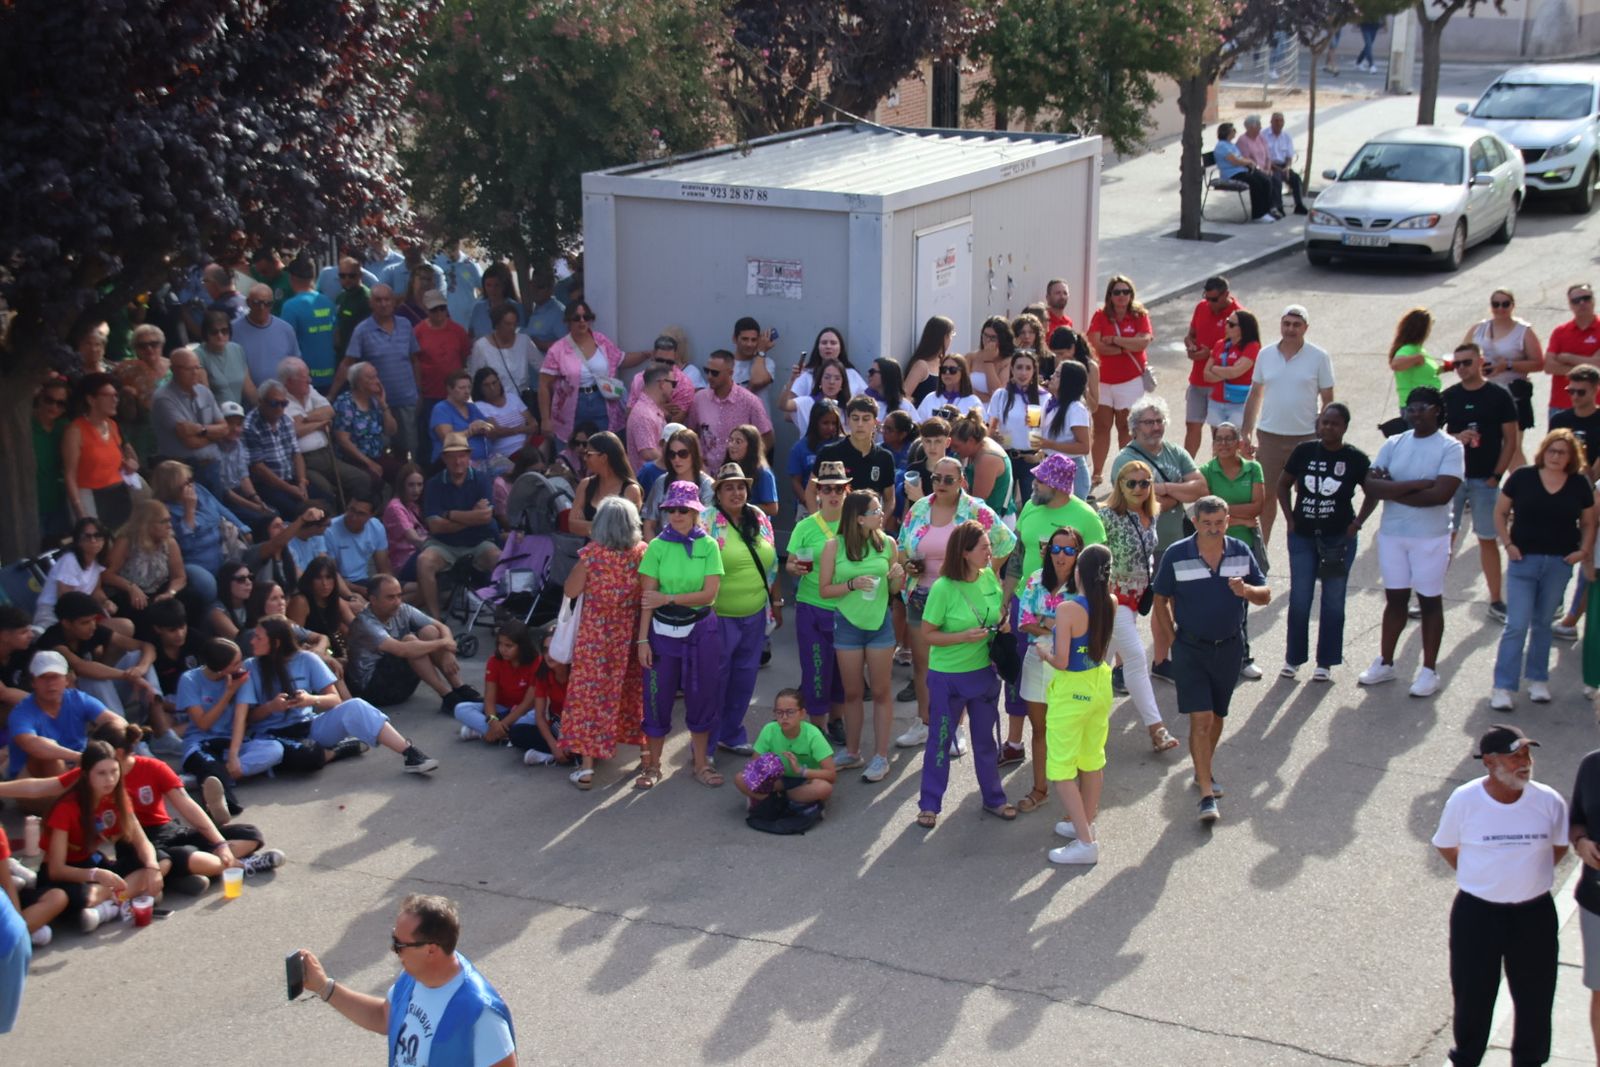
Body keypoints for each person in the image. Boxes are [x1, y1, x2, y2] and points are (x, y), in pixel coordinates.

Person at [1432, 724, 1566, 1067]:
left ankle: (1529, 1062)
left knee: (1535, 998)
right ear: (1489, 762)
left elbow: (1559, 846)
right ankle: (1466, 1059)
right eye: (1514, 756)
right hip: (1477, 915)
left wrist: (1524, 879)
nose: (1524, 762)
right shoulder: (1465, 800)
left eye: (1526, 753)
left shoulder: (1548, 801)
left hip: (1533, 915)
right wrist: (1484, 880)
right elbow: (1446, 845)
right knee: (1472, 996)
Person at [1151, 497, 1271, 824]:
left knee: (1217, 717)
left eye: (1219, 523)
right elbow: (1159, 599)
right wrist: (1173, 640)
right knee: (1201, 719)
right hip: (1191, 648)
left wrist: (1245, 590)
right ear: (1196, 523)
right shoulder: (1177, 554)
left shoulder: (1239, 552)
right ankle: (1206, 792)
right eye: (1207, 524)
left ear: (1227, 521)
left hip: (1230, 649)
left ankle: (1202, 766)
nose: (1214, 530)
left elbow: (1265, 594)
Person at [296, 894, 517, 1067]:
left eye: (399, 945)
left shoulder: (480, 1013)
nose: (393, 950)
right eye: (394, 939)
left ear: (431, 950)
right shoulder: (412, 980)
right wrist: (324, 987)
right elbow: (384, 1017)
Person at [896, 457, 1016, 750]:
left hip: (961, 599)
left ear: (962, 481)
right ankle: (924, 722)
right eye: (936, 478)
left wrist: (983, 571)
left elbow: (1007, 541)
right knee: (924, 666)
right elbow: (900, 546)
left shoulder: (975, 510)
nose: (941, 485)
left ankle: (955, 728)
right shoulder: (921, 507)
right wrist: (908, 565)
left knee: (959, 668)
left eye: (948, 480)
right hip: (921, 595)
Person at [1355, 387, 1465, 698]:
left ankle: (1429, 670)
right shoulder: (1394, 443)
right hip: (1393, 535)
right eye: (1411, 408)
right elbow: (1371, 486)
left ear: (1437, 411)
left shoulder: (1451, 447)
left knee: (1429, 601)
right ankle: (1386, 663)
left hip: (1430, 537)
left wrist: (1395, 489)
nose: (1415, 413)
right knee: (1395, 600)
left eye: (1422, 408)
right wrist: (1416, 485)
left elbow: (1440, 495)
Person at [240, 615, 438, 775]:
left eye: (258, 637)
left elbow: (334, 699)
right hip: (271, 736)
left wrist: (310, 700)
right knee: (306, 758)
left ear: (276, 643)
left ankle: (410, 753)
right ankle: (337, 751)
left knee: (355, 706)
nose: (252, 641)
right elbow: (247, 719)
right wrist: (270, 707)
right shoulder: (251, 666)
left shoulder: (307, 659)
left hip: (308, 726)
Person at [916, 519, 1014, 828]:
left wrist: (1003, 625)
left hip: (984, 674)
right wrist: (962, 637)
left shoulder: (988, 579)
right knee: (940, 741)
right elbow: (928, 634)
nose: (990, 551)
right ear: (965, 552)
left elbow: (996, 612)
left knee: (985, 743)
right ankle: (929, 805)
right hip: (948, 678)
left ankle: (994, 799)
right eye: (984, 547)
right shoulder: (943, 588)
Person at [1492, 429, 1596, 709]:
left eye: (1562, 452)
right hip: (1523, 561)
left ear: (1571, 457)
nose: (1556, 456)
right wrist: (1508, 543)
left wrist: (1583, 551)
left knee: (1542, 624)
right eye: (1552, 450)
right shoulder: (1523, 477)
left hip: (1559, 563)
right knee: (1516, 624)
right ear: (1543, 451)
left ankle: (1538, 680)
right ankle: (1503, 686)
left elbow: (1588, 522)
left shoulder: (1578, 484)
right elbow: (1500, 512)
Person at [636, 480, 725, 789]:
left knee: (702, 697)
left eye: (683, 509)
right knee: (656, 698)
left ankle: (701, 764)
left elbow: (709, 594)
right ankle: (653, 766)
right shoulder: (657, 547)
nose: (677, 514)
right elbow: (648, 598)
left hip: (701, 631)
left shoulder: (709, 545)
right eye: (671, 508)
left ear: (695, 511)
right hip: (661, 634)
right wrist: (642, 640)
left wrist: (669, 598)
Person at [1034, 541, 1116, 864]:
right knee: (1092, 758)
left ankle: (1085, 840)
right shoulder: (1109, 601)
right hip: (1099, 684)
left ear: (1080, 571)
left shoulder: (1067, 609)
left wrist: (1044, 652)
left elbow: (1062, 661)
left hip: (1072, 692)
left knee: (1061, 768)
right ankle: (1086, 823)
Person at [558, 496, 647, 789]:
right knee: (632, 695)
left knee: (590, 699)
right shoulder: (641, 553)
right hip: (631, 637)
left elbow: (571, 590)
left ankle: (586, 768)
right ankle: (646, 755)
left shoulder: (592, 555)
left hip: (595, 640)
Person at [1277, 403, 1368, 682]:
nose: (1328, 427)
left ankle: (1325, 662)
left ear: (1344, 427)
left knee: (1333, 601)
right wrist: (1290, 521)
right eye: (1324, 422)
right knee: (1300, 598)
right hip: (1303, 536)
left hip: (1338, 539)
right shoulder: (1305, 451)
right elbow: (1282, 484)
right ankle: (1293, 659)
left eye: (1334, 423)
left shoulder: (1355, 458)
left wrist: (1357, 523)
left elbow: (1372, 491)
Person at [817, 488, 901, 782]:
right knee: (852, 693)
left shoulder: (888, 543)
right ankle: (853, 752)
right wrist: (852, 584)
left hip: (880, 624)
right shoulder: (833, 546)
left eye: (879, 510)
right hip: (848, 624)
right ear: (858, 518)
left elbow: (893, 592)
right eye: (875, 511)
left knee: (880, 692)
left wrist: (898, 579)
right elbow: (824, 590)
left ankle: (880, 756)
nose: (881, 515)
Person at [38, 739, 164, 934]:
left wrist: (152, 866)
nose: (110, 779)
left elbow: (141, 840)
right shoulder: (67, 808)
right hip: (67, 874)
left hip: (93, 863)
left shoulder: (117, 797)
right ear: (87, 775)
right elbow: (56, 869)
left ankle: (107, 904)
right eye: (102, 773)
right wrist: (95, 875)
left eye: (114, 771)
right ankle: (111, 904)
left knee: (158, 860)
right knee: (78, 897)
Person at [703, 463, 781, 758]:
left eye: (740, 486)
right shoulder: (706, 520)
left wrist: (776, 602)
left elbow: (772, 563)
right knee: (716, 679)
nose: (736, 492)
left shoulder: (758, 516)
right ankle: (706, 744)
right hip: (718, 615)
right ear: (718, 492)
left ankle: (732, 733)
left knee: (745, 676)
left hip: (755, 613)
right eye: (728, 486)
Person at [1240, 304, 1335, 544]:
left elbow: (1328, 399)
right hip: (1270, 437)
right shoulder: (1266, 354)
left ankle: (1305, 548)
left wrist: (1322, 436)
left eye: (1296, 324)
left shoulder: (1319, 357)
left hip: (1305, 439)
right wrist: (1246, 432)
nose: (1290, 329)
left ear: (1306, 327)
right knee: (1266, 496)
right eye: (1286, 324)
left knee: (1306, 495)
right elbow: (1255, 394)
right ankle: (1261, 551)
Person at [1013, 523, 1087, 815]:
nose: (1061, 555)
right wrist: (1058, 625)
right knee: (1040, 730)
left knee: (1069, 730)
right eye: (1056, 548)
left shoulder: (1085, 587)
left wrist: (1044, 621)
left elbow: (1084, 629)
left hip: (1069, 665)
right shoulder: (1035, 580)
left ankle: (1079, 796)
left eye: (1069, 550)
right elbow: (1024, 622)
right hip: (1036, 660)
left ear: (1078, 553)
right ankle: (1039, 789)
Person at [1443, 343, 1520, 621]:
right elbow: (1433, 438)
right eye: (1457, 364)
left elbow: (1511, 439)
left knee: (1487, 539)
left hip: (1485, 479)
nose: (1462, 368)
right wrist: (1455, 438)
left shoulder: (1498, 395)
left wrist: (1496, 476)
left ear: (1480, 361)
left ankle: (1496, 600)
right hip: (1454, 478)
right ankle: (1428, 597)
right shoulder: (1449, 396)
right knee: (1445, 539)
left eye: (1467, 362)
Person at [346, 575, 478, 712]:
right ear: (373, 600)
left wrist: (448, 653)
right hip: (372, 690)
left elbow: (442, 627)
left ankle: (460, 687)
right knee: (410, 641)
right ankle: (447, 696)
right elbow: (402, 650)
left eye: (399, 596)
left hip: (400, 685)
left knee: (429, 631)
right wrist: (443, 643)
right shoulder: (365, 623)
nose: (397, 602)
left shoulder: (402, 609)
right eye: (390, 597)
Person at [1110, 395, 1208, 578]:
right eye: (1148, 422)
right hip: (1141, 549)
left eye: (1159, 421)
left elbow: (1201, 488)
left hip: (1178, 543)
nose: (1155, 427)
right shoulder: (1125, 460)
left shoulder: (1176, 452)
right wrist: (1180, 492)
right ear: (1135, 426)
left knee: (1178, 603)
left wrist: (1165, 488)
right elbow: (1141, 503)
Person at [786, 461, 849, 742]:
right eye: (827, 488)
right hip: (812, 607)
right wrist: (794, 568)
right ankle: (817, 728)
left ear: (847, 490)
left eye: (838, 488)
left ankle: (837, 721)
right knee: (815, 669)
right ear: (818, 491)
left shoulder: (855, 523)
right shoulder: (806, 526)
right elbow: (789, 562)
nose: (833, 494)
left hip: (847, 608)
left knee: (842, 671)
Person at [1200, 422, 1266, 679]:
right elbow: (1205, 512)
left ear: (1239, 442)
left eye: (1230, 439)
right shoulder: (1206, 471)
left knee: (1239, 604)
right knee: (1213, 603)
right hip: (1213, 547)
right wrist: (1238, 518)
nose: (1224, 443)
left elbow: (1257, 507)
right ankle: (1211, 658)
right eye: (1219, 439)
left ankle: (1243, 657)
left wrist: (1224, 514)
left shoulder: (1253, 468)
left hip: (1243, 547)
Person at [6, 651, 126, 785]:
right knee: (47, 754)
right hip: (36, 781)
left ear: (66, 680)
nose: (50, 683)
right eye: (43, 677)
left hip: (79, 766)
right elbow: (31, 743)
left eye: (55, 677)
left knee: (116, 733)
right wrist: (79, 757)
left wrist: (99, 745)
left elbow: (118, 722)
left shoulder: (78, 699)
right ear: (33, 682)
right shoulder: (22, 713)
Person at [539, 300, 647, 448]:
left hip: (603, 400)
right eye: (577, 318)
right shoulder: (557, 350)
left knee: (605, 448)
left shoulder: (600, 340)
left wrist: (647, 355)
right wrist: (545, 419)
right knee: (574, 448)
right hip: (573, 406)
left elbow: (621, 359)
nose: (582, 321)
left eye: (586, 317)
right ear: (568, 321)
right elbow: (544, 385)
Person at [454, 622, 566, 763]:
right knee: (461, 709)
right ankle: (499, 735)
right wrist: (493, 721)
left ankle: (484, 733)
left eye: (509, 646)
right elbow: (489, 698)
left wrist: (503, 724)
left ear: (522, 646)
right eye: (500, 644)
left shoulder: (537, 663)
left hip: (523, 713)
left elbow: (527, 704)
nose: (503, 650)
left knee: (532, 719)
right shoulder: (494, 661)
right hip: (500, 709)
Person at [418, 432, 502, 620]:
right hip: (444, 544)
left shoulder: (481, 479)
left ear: (469, 456)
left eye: (462, 455)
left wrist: (450, 514)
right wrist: (472, 515)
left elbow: (486, 517)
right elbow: (435, 527)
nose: (458, 461)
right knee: (424, 561)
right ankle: (435, 618)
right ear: (444, 458)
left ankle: (501, 615)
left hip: (477, 542)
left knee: (498, 558)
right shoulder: (434, 484)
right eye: (453, 456)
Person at [339, 284, 422, 462]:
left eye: (387, 299)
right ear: (371, 303)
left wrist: (419, 391)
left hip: (407, 400)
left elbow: (415, 360)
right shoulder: (361, 330)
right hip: (377, 404)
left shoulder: (406, 325)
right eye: (378, 300)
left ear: (394, 302)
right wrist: (332, 394)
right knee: (384, 454)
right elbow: (349, 363)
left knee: (411, 451)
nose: (383, 304)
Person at [1086, 275, 1153, 483]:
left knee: (1126, 426)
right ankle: (1097, 472)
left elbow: (1143, 343)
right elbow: (1096, 345)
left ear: (1131, 294)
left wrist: (1116, 341)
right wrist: (1128, 345)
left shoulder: (1140, 315)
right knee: (1102, 427)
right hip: (1103, 382)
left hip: (1130, 381)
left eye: (1126, 292)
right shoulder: (1100, 315)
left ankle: (1126, 472)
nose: (1122, 296)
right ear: (1110, 295)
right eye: (1117, 292)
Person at [284, 357, 371, 508]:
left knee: (361, 479)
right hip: (305, 461)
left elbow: (330, 411)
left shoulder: (309, 391)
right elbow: (295, 431)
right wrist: (319, 423)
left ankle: (353, 516)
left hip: (327, 453)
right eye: (305, 378)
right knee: (326, 491)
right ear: (290, 381)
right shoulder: (282, 399)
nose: (310, 380)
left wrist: (305, 418)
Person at [734, 688, 838, 811]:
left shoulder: (813, 735)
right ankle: (793, 803)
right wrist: (768, 765)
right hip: (779, 779)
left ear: (802, 714)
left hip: (806, 780)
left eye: (790, 712)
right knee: (740, 778)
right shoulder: (769, 729)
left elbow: (831, 774)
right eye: (779, 712)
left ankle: (774, 800)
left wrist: (801, 771)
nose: (784, 717)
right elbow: (754, 766)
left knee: (824, 788)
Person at [1464, 288, 1543, 441]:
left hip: (1513, 393)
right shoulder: (1478, 329)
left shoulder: (1523, 331)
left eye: (1505, 304)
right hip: (1482, 393)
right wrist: (1478, 366)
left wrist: (1508, 365)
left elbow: (1539, 363)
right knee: (1485, 443)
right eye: (1496, 304)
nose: (1500, 309)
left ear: (1513, 306)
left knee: (1513, 447)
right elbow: (1462, 355)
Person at [151, 346, 229, 499]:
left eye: (197, 367)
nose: (195, 373)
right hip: (186, 473)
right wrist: (214, 434)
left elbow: (225, 428)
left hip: (213, 466)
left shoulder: (204, 391)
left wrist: (201, 430)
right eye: (188, 369)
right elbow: (190, 442)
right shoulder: (163, 398)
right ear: (174, 370)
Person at [63, 372, 139, 529]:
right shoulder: (75, 431)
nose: (115, 400)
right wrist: (80, 513)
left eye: (116, 395)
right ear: (91, 400)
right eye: (108, 395)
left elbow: (117, 458)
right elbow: (70, 475)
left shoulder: (112, 425)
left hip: (118, 494)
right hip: (90, 496)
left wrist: (129, 463)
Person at [1182, 277, 1242, 456]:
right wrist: (1190, 344)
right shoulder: (1201, 307)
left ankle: (1221, 470)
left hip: (1220, 384)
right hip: (1198, 380)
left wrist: (1208, 354)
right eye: (1206, 298)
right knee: (1192, 425)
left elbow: (1240, 352)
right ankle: (1187, 470)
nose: (1210, 303)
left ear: (1226, 295)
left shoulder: (1237, 316)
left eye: (1214, 299)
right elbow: (1191, 334)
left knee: (1219, 432)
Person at [246, 378, 322, 516]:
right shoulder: (250, 426)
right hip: (268, 485)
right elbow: (258, 468)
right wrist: (290, 489)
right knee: (297, 511)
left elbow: (296, 453)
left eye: (284, 403)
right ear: (261, 402)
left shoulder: (285, 420)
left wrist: (302, 482)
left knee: (324, 501)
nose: (280, 408)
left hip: (292, 479)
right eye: (274, 403)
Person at [809, 396, 896, 512]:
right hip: (835, 525)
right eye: (855, 418)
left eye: (866, 419)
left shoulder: (885, 458)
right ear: (848, 420)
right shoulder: (829, 453)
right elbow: (810, 491)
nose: (860, 424)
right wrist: (821, 524)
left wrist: (878, 525)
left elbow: (889, 499)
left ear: (875, 422)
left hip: (867, 526)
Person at [33, 517, 123, 631]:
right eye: (87, 536)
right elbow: (66, 601)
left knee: (125, 627)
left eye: (98, 535)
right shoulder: (69, 561)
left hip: (82, 619)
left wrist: (106, 602)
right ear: (78, 540)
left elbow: (96, 591)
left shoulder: (95, 563)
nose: (93, 540)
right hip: (56, 617)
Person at [692, 349, 775, 468]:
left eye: (715, 373)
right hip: (706, 473)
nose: (709, 376)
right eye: (707, 371)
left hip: (737, 476)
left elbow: (767, 436)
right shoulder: (699, 399)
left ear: (730, 373)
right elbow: (691, 432)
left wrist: (749, 464)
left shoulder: (750, 401)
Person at [417, 288, 474, 444]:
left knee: (457, 433)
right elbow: (414, 361)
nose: (439, 313)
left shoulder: (458, 331)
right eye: (434, 309)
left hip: (455, 394)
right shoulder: (418, 332)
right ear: (426, 309)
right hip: (430, 394)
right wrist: (419, 391)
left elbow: (464, 358)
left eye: (442, 308)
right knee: (431, 437)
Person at [333, 361, 399, 490]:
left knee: (405, 474)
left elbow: (391, 431)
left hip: (377, 455)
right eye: (371, 378)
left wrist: (383, 404)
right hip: (355, 459)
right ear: (358, 382)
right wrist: (369, 463)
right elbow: (343, 440)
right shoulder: (345, 403)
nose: (377, 381)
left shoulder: (374, 400)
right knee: (371, 480)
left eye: (376, 376)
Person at [568, 429, 642, 541]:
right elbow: (572, 525)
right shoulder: (585, 485)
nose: (584, 458)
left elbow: (623, 532)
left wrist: (587, 525)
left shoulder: (630, 490)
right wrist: (608, 527)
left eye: (588, 454)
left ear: (604, 458)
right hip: (589, 555)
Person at [1543, 282, 1600, 424]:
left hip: (1596, 406)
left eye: (1586, 298)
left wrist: (1568, 357)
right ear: (1570, 305)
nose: (1582, 303)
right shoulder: (1560, 332)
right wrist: (1587, 367)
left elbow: (1598, 364)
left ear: (1593, 300)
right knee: (1558, 446)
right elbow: (1549, 366)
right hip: (1561, 405)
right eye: (1576, 300)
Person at [641, 428, 712, 539]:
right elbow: (649, 524)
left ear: (694, 454)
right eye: (672, 454)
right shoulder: (661, 482)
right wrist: (657, 554)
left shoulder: (707, 485)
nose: (676, 459)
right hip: (664, 550)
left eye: (683, 454)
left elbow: (710, 526)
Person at [280, 257, 338, 391]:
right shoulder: (328, 302)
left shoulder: (290, 307)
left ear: (291, 278)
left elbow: (285, 344)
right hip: (330, 375)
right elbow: (336, 338)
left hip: (303, 379)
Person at [469, 303, 536, 409]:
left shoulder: (524, 341)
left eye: (514, 324)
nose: (512, 328)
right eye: (507, 324)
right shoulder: (481, 346)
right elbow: (474, 379)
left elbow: (543, 367)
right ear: (497, 324)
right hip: (495, 404)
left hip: (524, 400)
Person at [234, 284, 300, 387]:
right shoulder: (233, 329)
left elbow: (296, 365)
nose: (262, 307)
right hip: (247, 397)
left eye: (267, 303)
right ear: (248, 303)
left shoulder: (286, 329)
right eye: (257, 303)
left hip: (282, 396)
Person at [1203, 310, 1260, 429]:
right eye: (1227, 322)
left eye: (1232, 324)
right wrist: (1227, 372)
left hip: (1239, 403)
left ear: (1243, 328)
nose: (1227, 326)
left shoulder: (1252, 346)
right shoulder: (1220, 344)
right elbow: (1206, 375)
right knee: (1218, 442)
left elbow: (1235, 372)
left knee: (1235, 442)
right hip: (1217, 401)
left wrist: (1215, 368)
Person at [471, 367, 538, 470]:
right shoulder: (479, 406)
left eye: (494, 383)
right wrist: (522, 429)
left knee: (545, 441)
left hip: (527, 444)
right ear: (480, 388)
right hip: (506, 452)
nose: (492, 388)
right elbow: (496, 431)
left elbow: (533, 424)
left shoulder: (512, 397)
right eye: (487, 385)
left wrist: (527, 442)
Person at [428, 369, 496, 468]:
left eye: (469, 387)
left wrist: (484, 425)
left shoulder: (471, 407)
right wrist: (471, 431)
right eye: (462, 388)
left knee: (513, 470)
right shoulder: (441, 409)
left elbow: (493, 429)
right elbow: (448, 438)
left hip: (487, 460)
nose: (467, 391)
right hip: (457, 464)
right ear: (449, 389)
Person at [33, 378, 73, 544]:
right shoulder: (23, 425)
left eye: (60, 403)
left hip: (59, 501)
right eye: (49, 400)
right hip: (30, 504)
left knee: (59, 550)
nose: (54, 407)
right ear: (40, 398)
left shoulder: (66, 428)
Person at [323, 494, 389, 593]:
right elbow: (331, 574)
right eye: (351, 510)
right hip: (341, 584)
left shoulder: (376, 527)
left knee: (414, 588)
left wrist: (390, 586)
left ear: (371, 515)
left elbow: (383, 567)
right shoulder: (330, 530)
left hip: (364, 580)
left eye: (360, 514)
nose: (353, 517)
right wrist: (359, 590)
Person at [1213, 121, 1275, 222]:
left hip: (1242, 170)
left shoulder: (1230, 145)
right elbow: (1235, 161)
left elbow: (1241, 159)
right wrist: (1249, 161)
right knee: (1256, 184)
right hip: (1232, 174)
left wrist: (1247, 162)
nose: (1235, 132)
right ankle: (1258, 215)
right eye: (1233, 130)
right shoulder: (1221, 146)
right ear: (1227, 132)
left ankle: (1266, 210)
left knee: (1266, 180)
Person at [195, 309, 255, 408]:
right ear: (206, 333)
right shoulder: (198, 355)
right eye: (214, 332)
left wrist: (264, 408)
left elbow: (249, 388)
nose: (220, 335)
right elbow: (204, 398)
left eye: (224, 330)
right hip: (214, 417)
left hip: (237, 415)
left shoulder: (237, 349)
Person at [1387, 307, 1441, 417]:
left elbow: (1424, 374)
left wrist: (1446, 368)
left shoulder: (1418, 349)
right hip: (1416, 408)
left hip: (1427, 404)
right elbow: (1396, 364)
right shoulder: (1408, 349)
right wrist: (1415, 358)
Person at [383, 464, 430, 585]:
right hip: (405, 563)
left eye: (420, 485)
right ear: (402, 485)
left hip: (419, 556)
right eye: (411, 485)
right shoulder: (395, 507)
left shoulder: (413, 505)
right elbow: (413, 538)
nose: (416, 490)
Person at [626, 364, 676, 473]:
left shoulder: (651, 409)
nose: (674, 388)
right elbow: (648, 453)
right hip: (650, 484)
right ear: (662, 384)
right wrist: (676, 464)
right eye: (673, 384)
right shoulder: (643, 414)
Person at [780, 358, 852, 433]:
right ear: (820, 380)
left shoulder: (848, 408)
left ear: (843, 383)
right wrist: (791, 380)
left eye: (837, 378)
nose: (831, 382)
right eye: (827, 377)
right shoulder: (808, 402)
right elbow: (783, 405)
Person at [914, 352, 984, 422]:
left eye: (952, 370)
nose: (947, 373)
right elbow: (919, 425)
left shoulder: (973, 402)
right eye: (943, 369)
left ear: (962, 373)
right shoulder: (930, 399)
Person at [1264, 112, 1308, 215]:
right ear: (1271, 122)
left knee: (1296, 178)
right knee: (1276, 180)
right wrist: (1276, 168)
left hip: (1283, 165)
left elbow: (1289, 155)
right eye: (1276, 121)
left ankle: (1299, 205)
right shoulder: (1264, 135)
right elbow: (1263, 156)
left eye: (1281, 121)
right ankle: (1278, 206)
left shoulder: (1286, 136)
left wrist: (1287, 167)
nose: (1279, 123)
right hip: (1269, 166)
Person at [469, 261, 525, 339]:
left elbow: (520, 337)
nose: (492, 289)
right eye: (488, 285)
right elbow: (471, 334)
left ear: (504, 286)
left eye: (497, 285)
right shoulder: (478, 308)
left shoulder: (516, 308)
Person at [905, 315, 956, 401]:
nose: (951, 340)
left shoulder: (943, 362)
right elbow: (904, 397)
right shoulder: (921, 365)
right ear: (944, 337)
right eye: (951, 335)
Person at [332, 257, 372, 361]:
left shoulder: (367, 299)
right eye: (342, 276)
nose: (347, 279)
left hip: (359, 357)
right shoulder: (341, 297)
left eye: (351, 276)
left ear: (360, 275)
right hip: (342, 354)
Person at [521, 267, 563, 353]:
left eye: (540, 286)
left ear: (551, 288)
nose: (535, 289)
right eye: (532, 284)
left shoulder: (558, 313)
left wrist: (539, 344)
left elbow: (567, 346)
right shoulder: (537, 307)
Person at [730, 317, 777, 393]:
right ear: (734, 339)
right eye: (745, 339)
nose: (749, 344)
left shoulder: (767, 363)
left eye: (754, 340)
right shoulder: (724, 363)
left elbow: (758, 381)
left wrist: (761, 351)